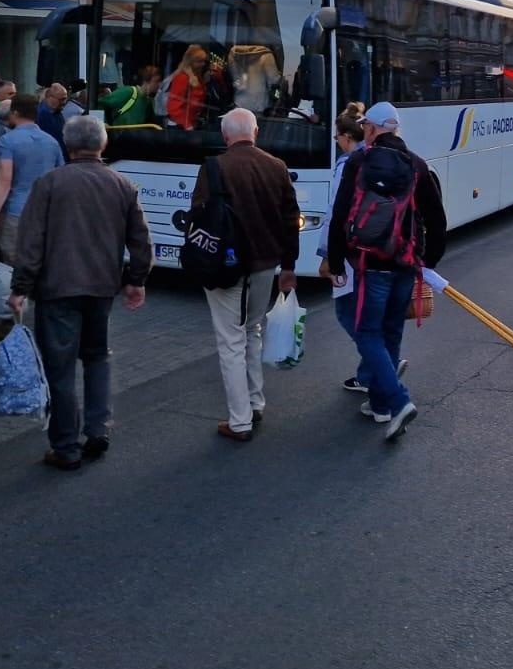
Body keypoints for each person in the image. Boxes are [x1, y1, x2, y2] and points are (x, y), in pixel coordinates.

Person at [6, 116, 150, 470]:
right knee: (98, 356)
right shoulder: (122, 184)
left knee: (60, 367)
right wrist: (136, 279)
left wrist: (20, 287)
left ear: (68, 147)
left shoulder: (50, 184)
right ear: (103, 146)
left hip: (57, 288)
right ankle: (98, 427)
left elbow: (31, 241)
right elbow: (141, 240)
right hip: (102, 286)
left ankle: (66, 446)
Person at [327, 101, 447, 441]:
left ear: (371, 129)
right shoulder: (417, 165)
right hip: (405, 265)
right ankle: (380, 406)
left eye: (366, 127)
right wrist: (428, 263)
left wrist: (336, 262)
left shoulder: (359, 161)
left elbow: (341, 214)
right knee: (391, 332)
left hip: (370, 265)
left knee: (367, 333)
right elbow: (437, 221)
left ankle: (398, 400)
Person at [190, 109, 300, 443]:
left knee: (230, 340)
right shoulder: (276, 166)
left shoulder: (214, 168)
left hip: (227, 266)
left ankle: (240, 421)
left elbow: (199, 216)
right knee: (252, 329)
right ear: (256, 132)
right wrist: (289, 267)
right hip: (265, 265)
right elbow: (290, 218)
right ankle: (255, 402)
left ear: (225, 136)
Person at [316, 104, 381, 393]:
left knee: (346, 312)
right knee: (363, 311)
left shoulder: (347, 164)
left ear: (345, 137)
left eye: (336, 138)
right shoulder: (370, 159)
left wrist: (328, 255)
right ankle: (372, 369)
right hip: (368, 248)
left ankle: (379, 364)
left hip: (347, 252)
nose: (336, 143)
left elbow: (335, 212)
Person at [0, 93, 64, 264]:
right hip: (46, 211)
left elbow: (5, 179)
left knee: (12, 264)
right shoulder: (52, 142)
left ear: (15, 113)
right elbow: (61, 178)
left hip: (15, 211)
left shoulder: (7, 141)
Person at [163, 45, 209, 131]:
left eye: (204, 61)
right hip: (180, 126)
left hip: (189, 125)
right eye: (199, 62)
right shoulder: (182, 78)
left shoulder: (197, 78)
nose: (203, 64)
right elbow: (174, 107)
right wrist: (187, 125)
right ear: (190, 62)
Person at [37, 84, 70, 148]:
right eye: (62, 99)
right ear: (50, 97)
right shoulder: (42, 114)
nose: (64, 102)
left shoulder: (57, 112)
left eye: (66, 99)